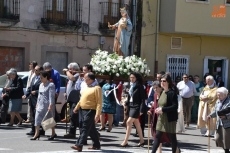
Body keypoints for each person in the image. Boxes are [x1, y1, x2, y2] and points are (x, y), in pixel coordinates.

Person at [71, 72, 101, 152]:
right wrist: (77, 107)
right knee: (90, 129)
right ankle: (96, 144)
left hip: (91, 110)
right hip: (83, 110)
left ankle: (79, 145)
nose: (84, 80)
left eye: (86, 79)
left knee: (85, 127)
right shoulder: (87, 87)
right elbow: (82, 100)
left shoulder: (97, 88)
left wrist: (98, 114)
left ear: (91, 79)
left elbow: (99, 102)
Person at [151, 74, 179, 153]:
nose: (162, 82)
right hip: (161, 119)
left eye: (164, 81)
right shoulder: (162, 92)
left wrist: (163, 109)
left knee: (172, 138)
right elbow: (161, 104)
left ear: (168, 82)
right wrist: (157, 109)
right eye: (161, 81)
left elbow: (175, 106)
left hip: (169, 119)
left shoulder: (172, 93)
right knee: (157, 137)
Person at [120, 72, 145, 147]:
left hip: (136, 106)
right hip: (130, 105)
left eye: (133, 77)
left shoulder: (139, 86)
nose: (131, 79)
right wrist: (125, 103)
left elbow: (143, 99)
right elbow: (128, 96)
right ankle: (142, 140)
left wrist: (141, 109)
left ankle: (125, 141)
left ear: (136, 78)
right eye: (130, 77)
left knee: (128, 122)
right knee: (137, 123)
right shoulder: (130, 86)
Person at [30, 71, 56, 140]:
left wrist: (51, 104)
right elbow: (39, 95)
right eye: (40, 78)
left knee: (49, 119)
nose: (40, 79)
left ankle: (53, 133)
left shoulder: (51, 85)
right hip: (40, 104)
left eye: (41, 78)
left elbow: (51, 96)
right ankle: (36, 134)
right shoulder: (41, 85)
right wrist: (37, 103)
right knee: (37, 119)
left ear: (46, 77)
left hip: (47, 104)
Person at [148, 81, 170, 153]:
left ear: (161, 88)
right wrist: (151, 110)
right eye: (154, 88)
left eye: (156, 88)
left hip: (163, 118)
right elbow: (154, 105)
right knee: (157, 136)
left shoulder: (165, 95)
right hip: (156, 118)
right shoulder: (155, 95)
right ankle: (159, 150)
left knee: (167, 137)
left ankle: (176, 149)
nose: (155, 90)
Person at [208, 87, 230, 153]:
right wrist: (210, 115)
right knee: (218, 139)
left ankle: (227, 151)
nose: (218, 96)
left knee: (226, 140)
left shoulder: (229, 102)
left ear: (225, 95)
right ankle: (226, 150)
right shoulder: (218, 101)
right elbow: (215, 110)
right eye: (217, 95)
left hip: (227, 124)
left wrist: (226, 116)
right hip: (219, 123)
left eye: (220, 95)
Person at [23, 65, 43, 136]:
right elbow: (30, 87)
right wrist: (26, 95)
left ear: (40, 70)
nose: (35, 71)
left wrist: (36, 92)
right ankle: (33, 129)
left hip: (38, 98)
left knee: (38, 115)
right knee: (33, 114)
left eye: (37, 70)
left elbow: (43, 88)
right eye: (35, 70)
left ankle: (41, 130)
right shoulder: (34, 77)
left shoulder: (42, 78)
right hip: (32, 98)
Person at [63, 62, 81, 138]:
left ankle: (72, 132)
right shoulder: (71, 75)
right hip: (70, 98)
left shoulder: (77, 75)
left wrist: (67, 72)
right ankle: (72, 132)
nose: (69, 70)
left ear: (74, 69)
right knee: (72, 115)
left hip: (75, 99)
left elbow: (72, 78)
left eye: (70, 69)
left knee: (74, 115)